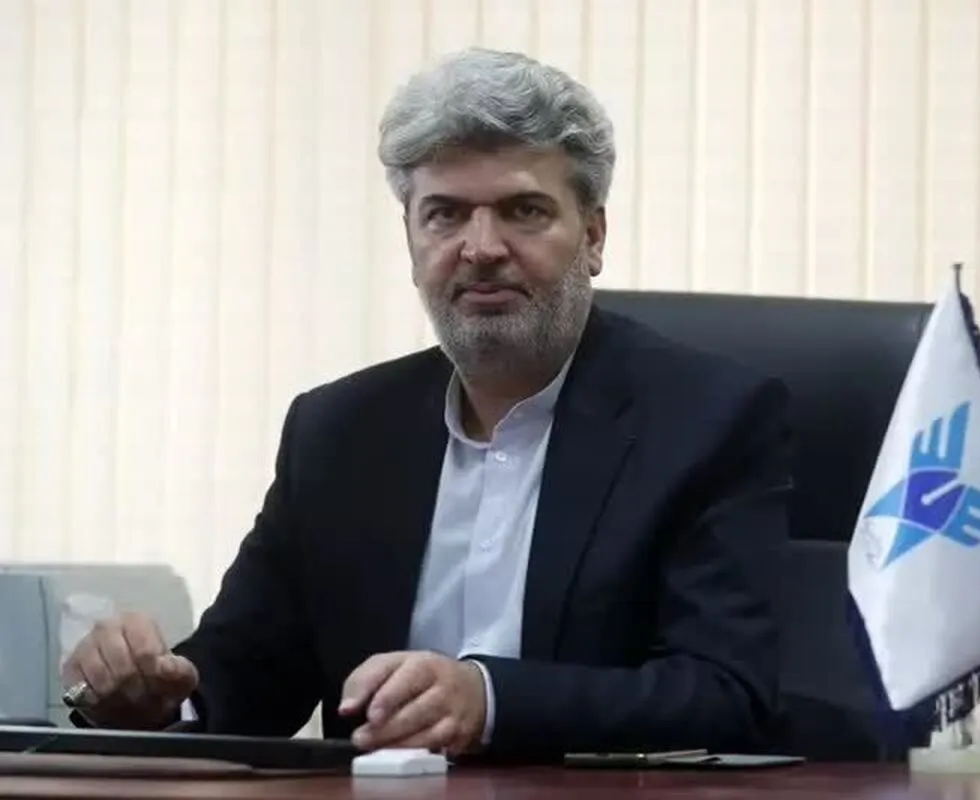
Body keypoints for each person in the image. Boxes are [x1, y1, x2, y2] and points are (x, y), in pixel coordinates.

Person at [60, 47, 793, 762]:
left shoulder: (709, 421)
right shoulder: (338, 432)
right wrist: (157, 699)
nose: (481, 248)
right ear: (411, 239)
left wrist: (489, 701)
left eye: (524, 211)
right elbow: (249, 671)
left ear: (593, 236)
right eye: (445, 214)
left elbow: (725, 692)